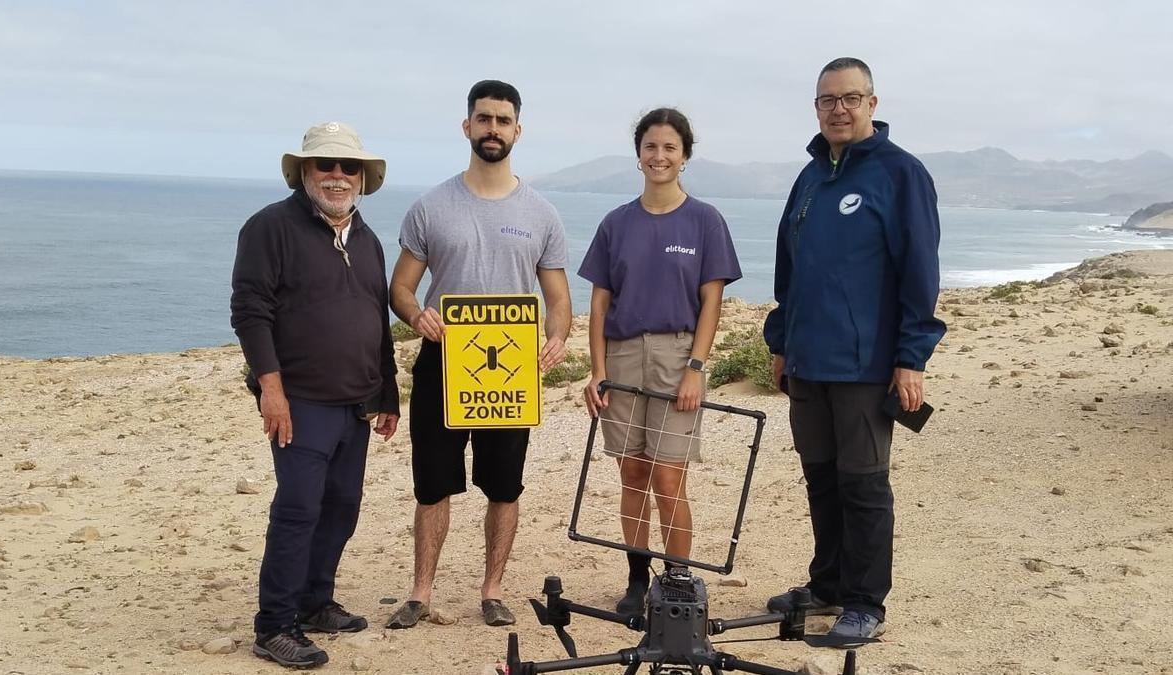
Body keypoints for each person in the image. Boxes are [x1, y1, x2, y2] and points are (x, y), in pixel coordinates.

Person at [762, 58, 946, 645]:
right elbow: (789, 267)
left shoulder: (900, 173)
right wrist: (781, 341)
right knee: (821, 478)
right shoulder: (811, 176)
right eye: (827, 100)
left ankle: (865, 602)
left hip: (865, 366)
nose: (838, 109)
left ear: (872, 103)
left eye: (850, 98)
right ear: (816, 107)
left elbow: (920, 271)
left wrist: (912, 357)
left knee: (863, 484)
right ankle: (829, 585)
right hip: (807, 361)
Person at [384, 80, 572, 629]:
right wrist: (416, 315)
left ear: (518, 130)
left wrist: (557, 337)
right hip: (443, 363)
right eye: (484, 118)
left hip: (510, 371)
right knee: (432, 484)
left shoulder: (541, 213)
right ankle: (420, 593)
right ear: (467, 126)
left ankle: (492, 591)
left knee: (504, 485)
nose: (493, 129)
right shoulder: (431, 207)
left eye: (503, 120)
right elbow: (401, 288)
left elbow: (559, 299)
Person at [230, 121, 400, 669]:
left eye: (348, 166)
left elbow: (376, 323)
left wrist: (389, 395)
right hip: (299, 401)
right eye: (325, 164)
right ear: (304, 171)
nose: (337, 175)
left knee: (341, 507)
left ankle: (314, 601)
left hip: (356, 404)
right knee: (298, 509)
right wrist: (270, 389)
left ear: (362, 177)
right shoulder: (270, 227)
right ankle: (274, 626)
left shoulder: (369, 241)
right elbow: (250, 311)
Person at [579, 108, 741, 616]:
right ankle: (636, 579)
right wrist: (598, 371)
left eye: (670, 147)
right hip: (623, 357)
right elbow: (599, 305)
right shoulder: (616, 223)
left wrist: (696, 367)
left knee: (669, 479)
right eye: (651, 146)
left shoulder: (705, 220)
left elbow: (711, 301)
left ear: (685, 156)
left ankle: (677, 581)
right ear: (639, 154)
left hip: (677, 358)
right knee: (632, 474)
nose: (659, 156)